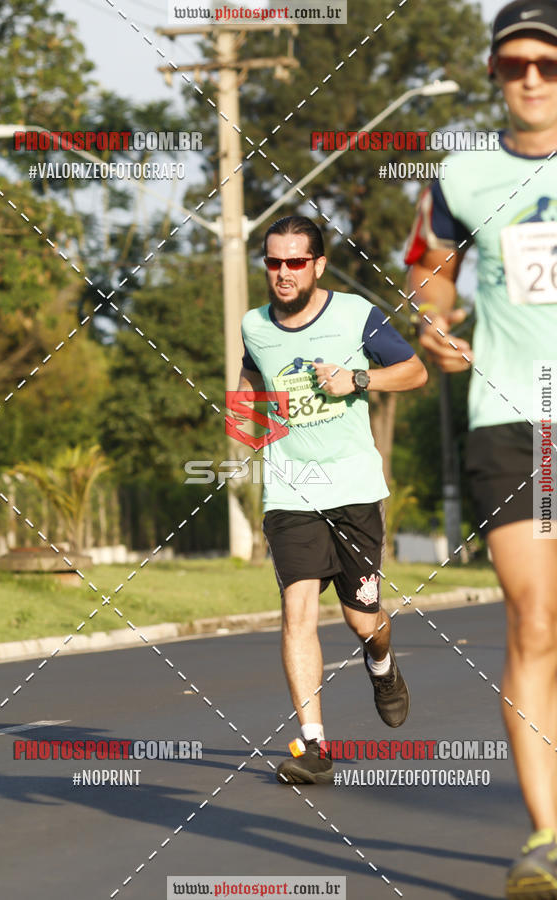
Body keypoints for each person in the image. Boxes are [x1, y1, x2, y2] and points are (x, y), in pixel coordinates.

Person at [405, 1, 557, 894]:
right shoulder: (461, 178)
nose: (531, 78)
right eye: (514, 65)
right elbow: (431, 270)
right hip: (513, 418)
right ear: (495, 73)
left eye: (546, 62)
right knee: (533, 617)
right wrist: (434, 321)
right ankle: (547, 834)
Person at [236, 214, 427, 784]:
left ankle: (382, 662)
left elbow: (414, 371)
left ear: (318, 265)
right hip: (291, 490)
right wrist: (245, 412)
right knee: (297, 610)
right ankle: (315, 745)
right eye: (274, 262)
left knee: (362, 618)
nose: (284, 273)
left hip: (354, 490)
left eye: (296, 262)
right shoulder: (254, 325)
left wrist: (359, 380)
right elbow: (252, 379)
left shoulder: (355, 316)